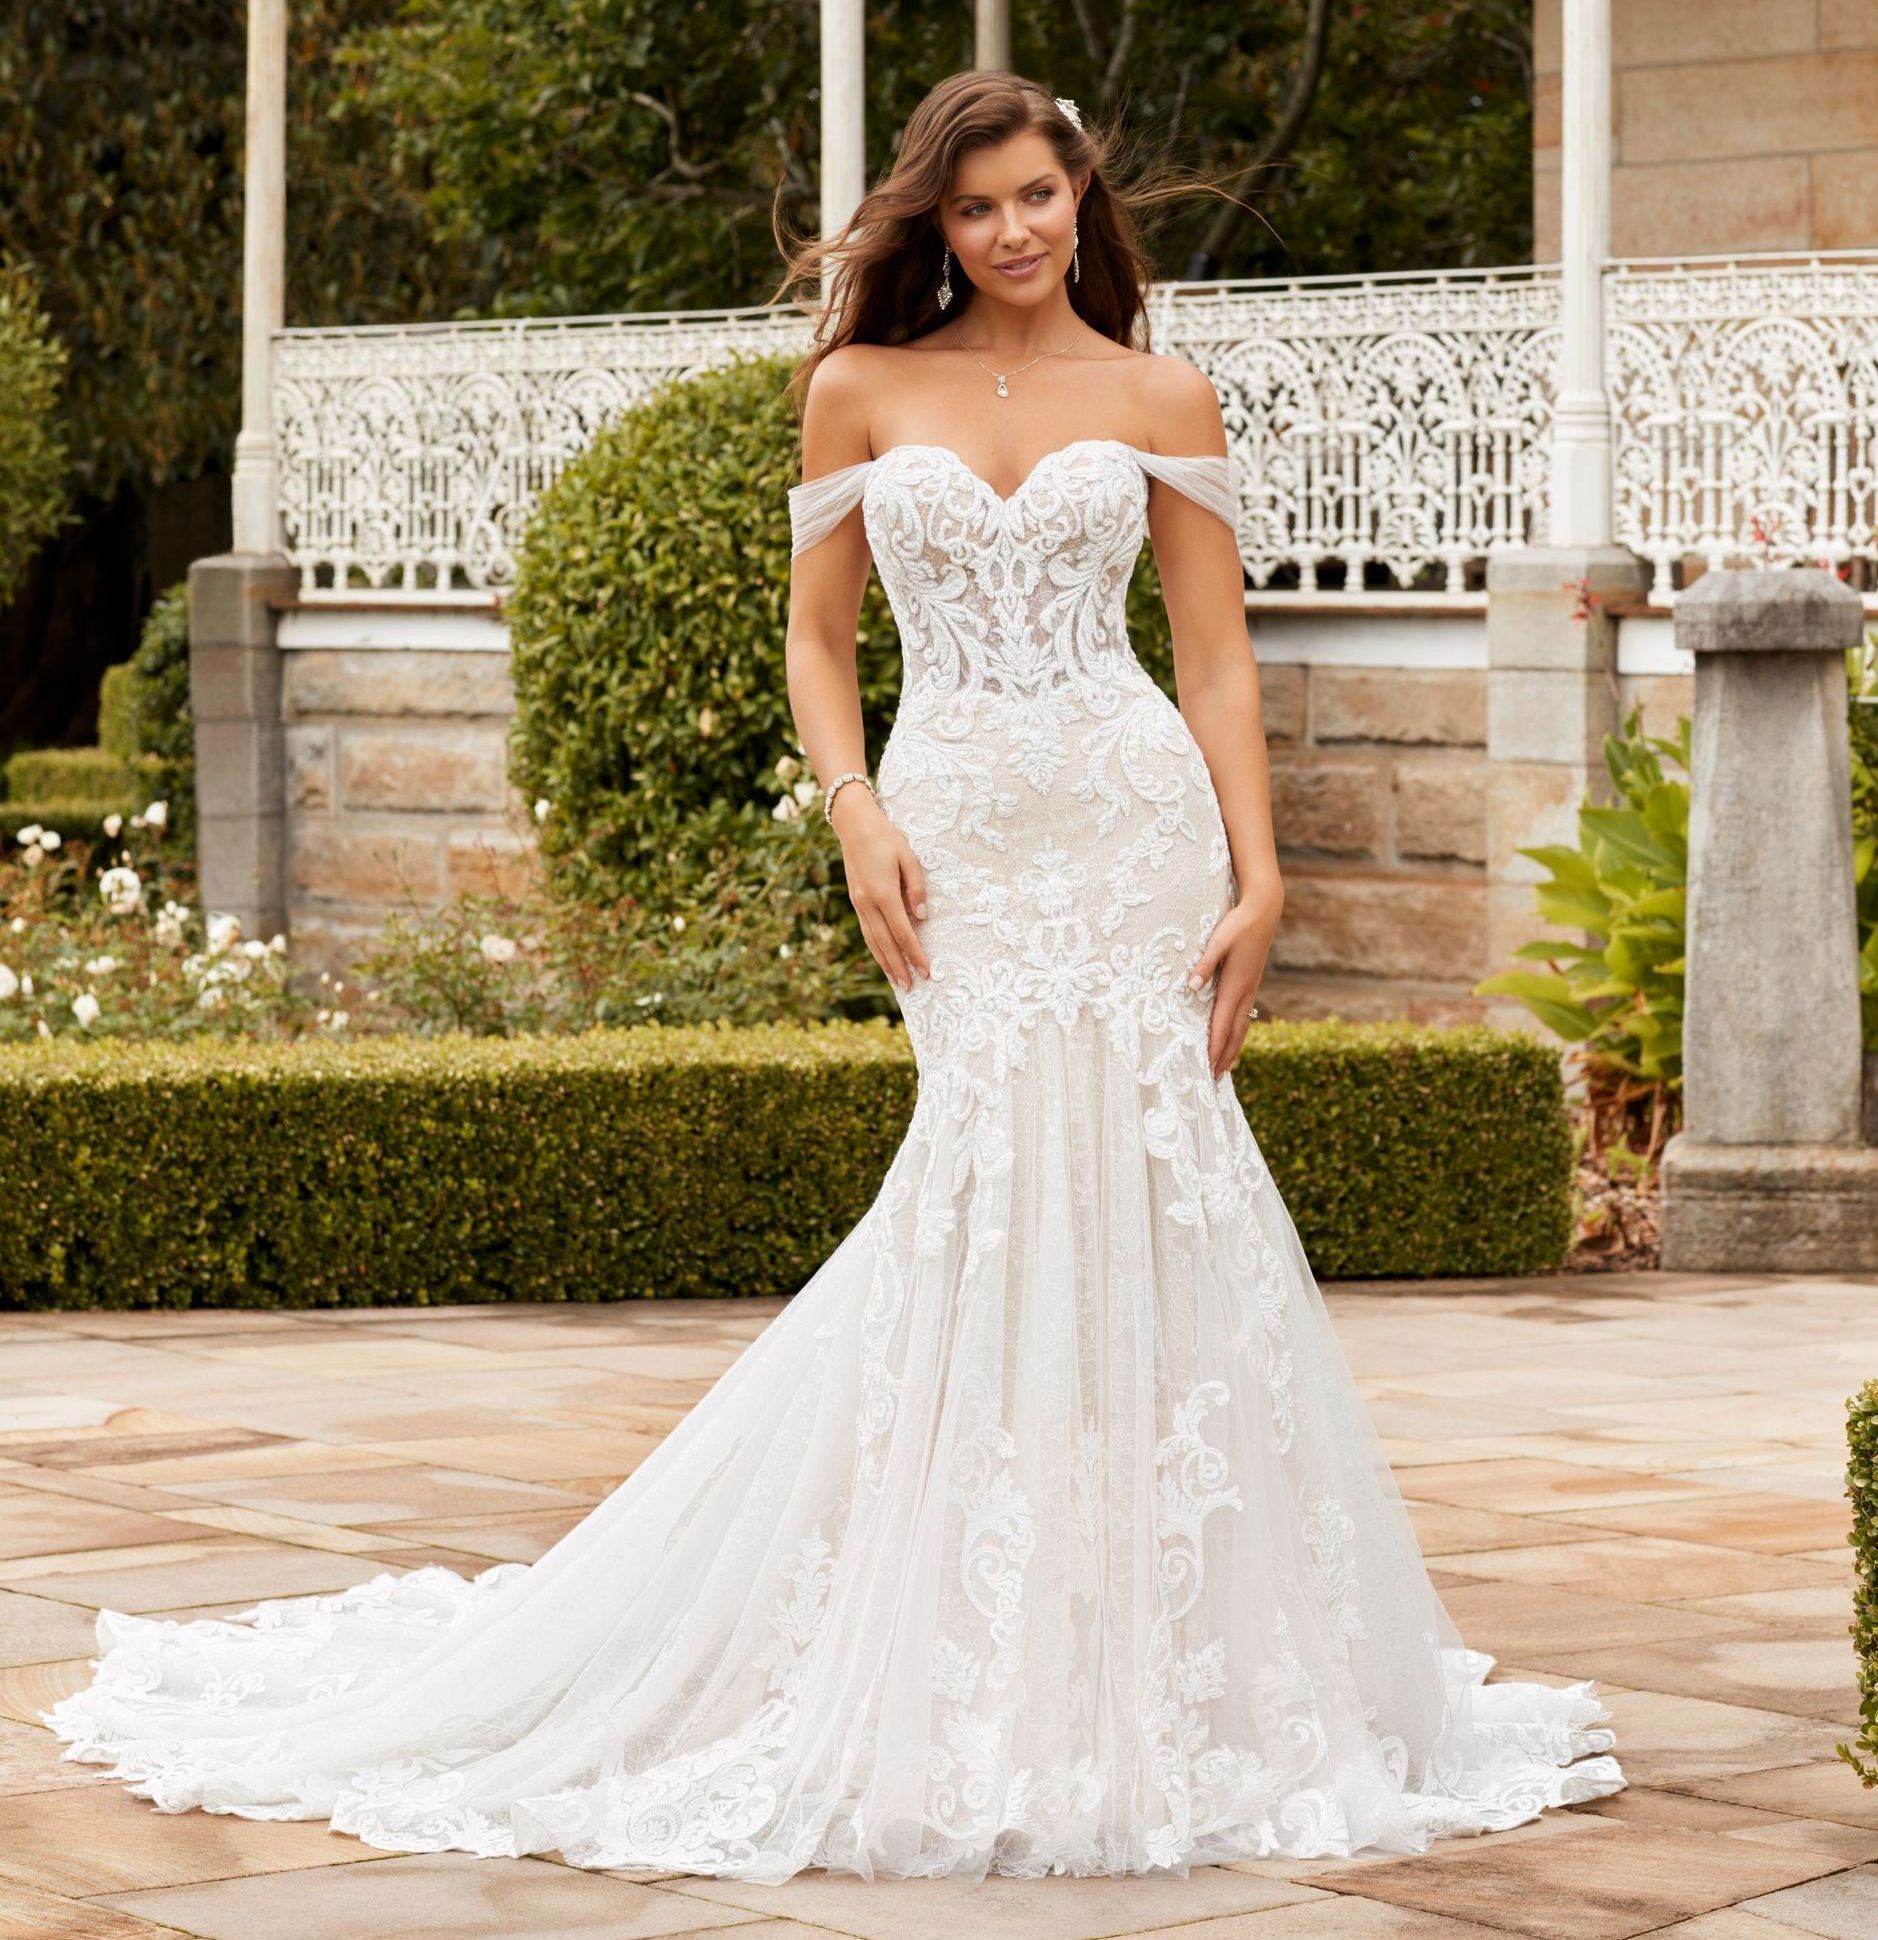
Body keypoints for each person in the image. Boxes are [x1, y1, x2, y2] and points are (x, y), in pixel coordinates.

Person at [44, 70, 1623, 1883]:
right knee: (987, 1180)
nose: (1011, 230)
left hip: (1129, 830)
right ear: (933, 222)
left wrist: (1262, 876)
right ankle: (955, 1635)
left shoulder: (1159, 392)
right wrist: (857, 809)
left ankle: (1164, 1655)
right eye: (975, 206)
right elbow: (816, 638)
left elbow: (1213, 662)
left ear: (1081, 198)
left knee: (1153, 1186)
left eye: (1036, 196)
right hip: (952, 836)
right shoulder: (857, 387)